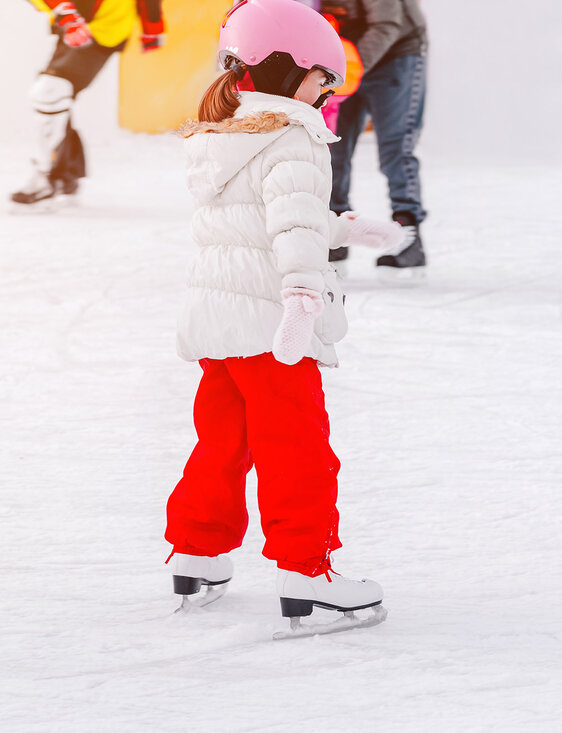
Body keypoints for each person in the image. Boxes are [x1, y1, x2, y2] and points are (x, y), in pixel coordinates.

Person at [165, 0, 402, 637]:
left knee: (223, 442)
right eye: (324, 77)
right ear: (289, 67)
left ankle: (198, 553)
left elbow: (264, 216)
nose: (327, 91)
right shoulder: (293, 133)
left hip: (218, 320)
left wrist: (344, 228)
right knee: (297, 449)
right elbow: (289, 222)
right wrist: (302, 296)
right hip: (273, 324)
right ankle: (308, 574)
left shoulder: (228, 133)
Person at [11, 1, 166, 208]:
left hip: (106, 24)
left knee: (52, 90)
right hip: (70, 24)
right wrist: (65, 13)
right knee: (53, 94)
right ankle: (62, 176)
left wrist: (152, 25)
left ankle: (46, 177)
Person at [321, 0, 429, 279]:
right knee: (331, 146)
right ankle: (337, 232)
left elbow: (387, 23)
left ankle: (408, 234)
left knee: (396, 148)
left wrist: (348, 72)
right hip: (343, 59)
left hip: (395, 55)